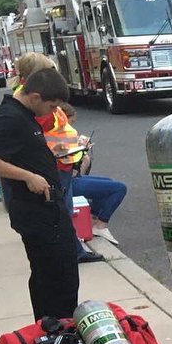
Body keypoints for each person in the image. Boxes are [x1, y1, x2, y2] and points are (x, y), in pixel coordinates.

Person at [0, 68, 78, 320]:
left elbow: (21, 152)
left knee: (60, 274)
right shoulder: (11, 117)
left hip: (48, 208)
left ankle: (56, 327)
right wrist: (28, 176)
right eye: (52, 106)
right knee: (54, 277)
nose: (54, 112)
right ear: (34, 96)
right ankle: (54, 329)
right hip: (37, 211)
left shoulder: (25, 115)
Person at [41, 103, 102, 264]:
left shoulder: (54, 111)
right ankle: (73, 251)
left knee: (64, 211)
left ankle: (73, 250)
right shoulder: (47, 112)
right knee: (63, 212)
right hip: (59, 165)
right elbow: (43, 138)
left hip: (64, 163)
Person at [59, 104, 126, 246]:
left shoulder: (58, 133)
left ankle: (92, 218)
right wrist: (80, 149)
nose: (73, 126)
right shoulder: (61, 134)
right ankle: (101, 225)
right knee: (119, 188)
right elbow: (70, 162)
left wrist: (81, 148)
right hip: (67, 181)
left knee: (108, 181)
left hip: (68, 179)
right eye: (72, 122)